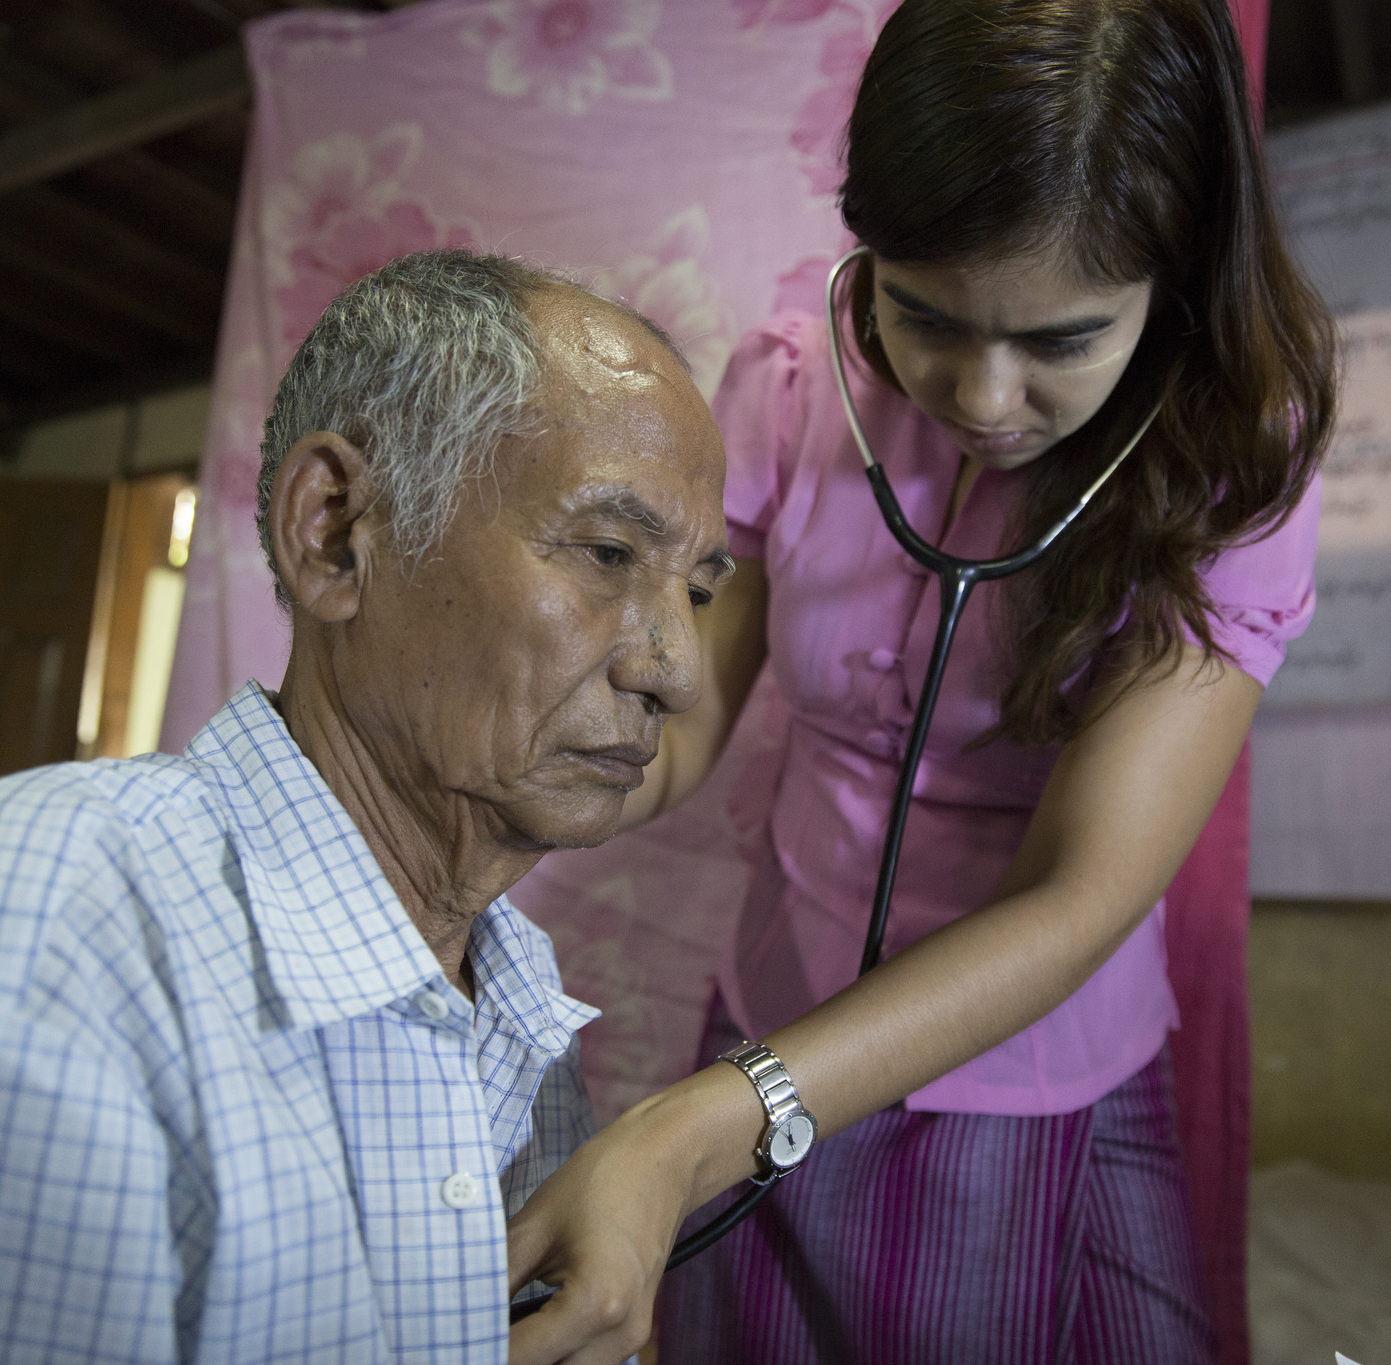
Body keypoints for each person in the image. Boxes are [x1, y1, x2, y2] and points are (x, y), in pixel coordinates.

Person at [506, 1, 1336, 1360]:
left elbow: (1080, 894)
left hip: (1020, 1076)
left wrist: (697, 1123)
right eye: (924, 314)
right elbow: (690, 707)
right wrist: (515, 802)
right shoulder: (791, 392)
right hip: (771, 995)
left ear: (1171, 291)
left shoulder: (1237, 465)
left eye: (1061, 341)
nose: (982, 395)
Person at [0, 250, 732, 1365]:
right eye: (606, 553)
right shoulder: (18, 934)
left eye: (691, 590)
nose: (676, 671)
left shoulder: (514, 1002)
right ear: (336, 532)